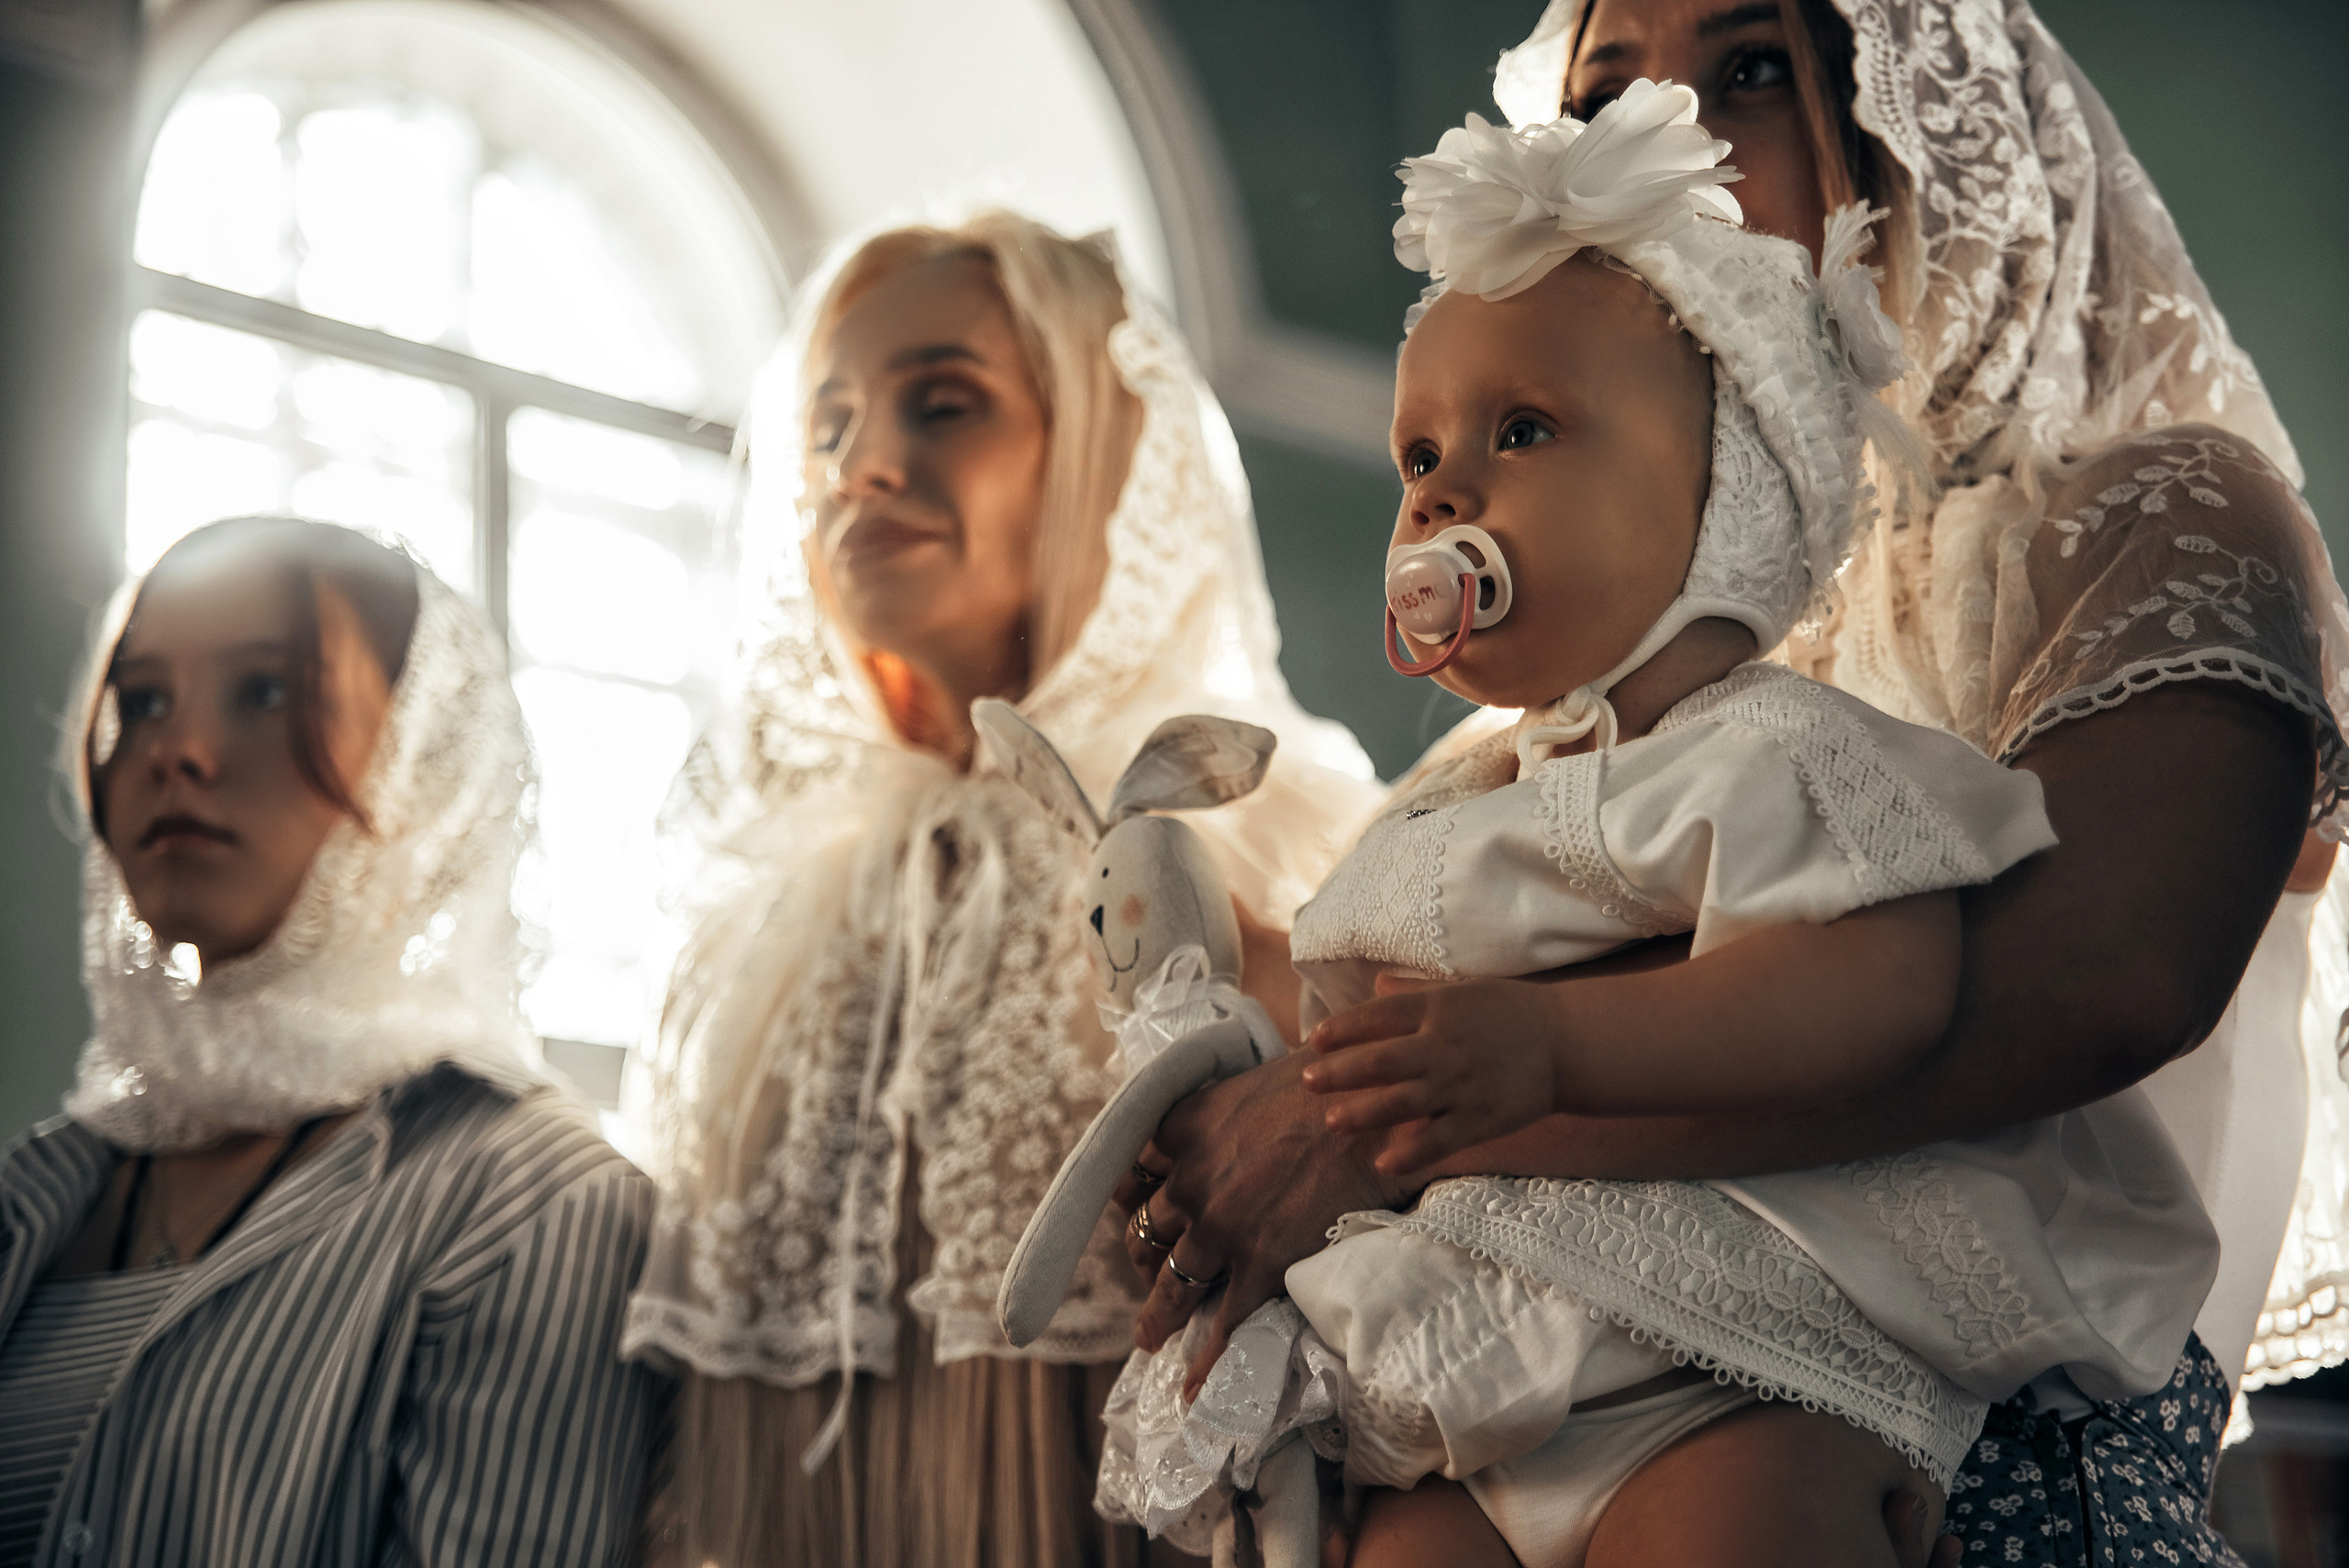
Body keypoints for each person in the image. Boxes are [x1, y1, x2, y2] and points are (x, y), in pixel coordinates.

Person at [1123, 2, 2349, 1562]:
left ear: (1921, 123)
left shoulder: (2151, 516)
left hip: (1952, 1461)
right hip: (1520, 1389)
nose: (1674, 136)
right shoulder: (1554, 703)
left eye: (1751, 67)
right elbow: (1360, 996)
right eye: (1609, 87)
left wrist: (1377, 1118)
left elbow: (2097, 973)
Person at [619, 211, 1381, 1568]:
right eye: (829, 422)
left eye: (945, 403)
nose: (863, 464)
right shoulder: (758, 903)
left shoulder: (1252, 831)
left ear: (1100, 455)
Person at [0, 516, 664, 1566]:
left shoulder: (534, 1205)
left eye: (264, 692)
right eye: (140, 700)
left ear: (423, 763)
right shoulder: (42, 1186)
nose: (177, 748)